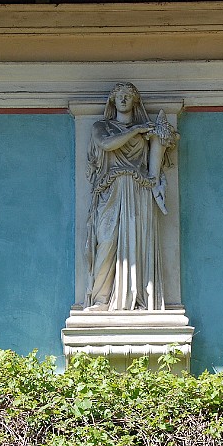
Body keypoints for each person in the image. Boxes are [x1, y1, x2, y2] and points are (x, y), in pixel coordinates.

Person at [84, 82, 178, 311]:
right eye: (120, 96)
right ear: (113, 101)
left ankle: (135, 297)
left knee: (136, 244)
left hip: (138, 191)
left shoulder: (147, 131)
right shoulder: (101, 127)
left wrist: (156, 179)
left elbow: (156, 160)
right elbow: (106, 144)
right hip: (111, 190)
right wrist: (136, 130)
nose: (124, 99)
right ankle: (101, 299)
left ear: (135, 100)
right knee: (106, 241)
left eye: (128, 95)